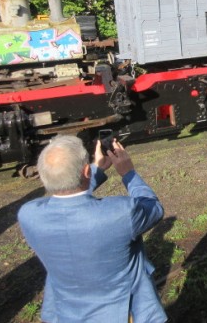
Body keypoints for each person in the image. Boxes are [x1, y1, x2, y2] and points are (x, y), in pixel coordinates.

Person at [18, 135, 167, 323]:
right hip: (122, 315)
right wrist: (129, 173)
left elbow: (68, 198)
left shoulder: (29, 215)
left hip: (65, 313)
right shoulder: (121, 213)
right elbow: (153, 208)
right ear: (86, 170)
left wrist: (96, 170)